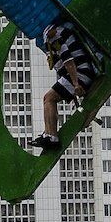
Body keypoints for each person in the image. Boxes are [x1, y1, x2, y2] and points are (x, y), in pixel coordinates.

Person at [28, 16, 99, 153]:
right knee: (48, 98)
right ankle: (48, 133)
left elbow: (68, 60)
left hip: (81, 73)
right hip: (81, 73)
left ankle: (51, 136)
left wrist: (76, 84)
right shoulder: (59, 32)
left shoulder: (52, 35)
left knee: (49, 98)